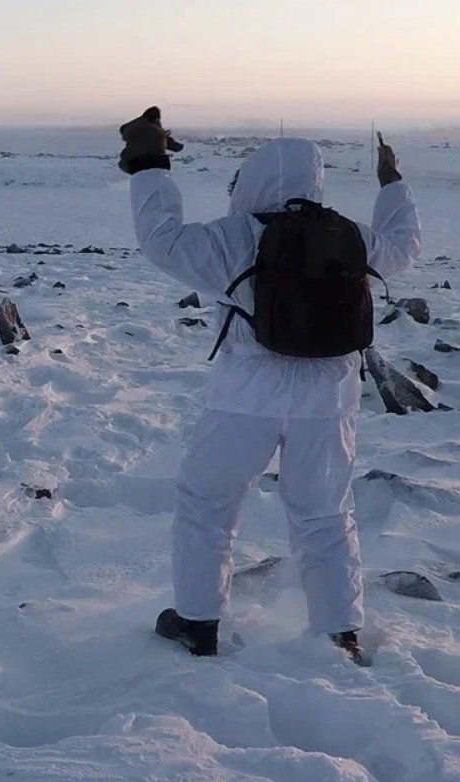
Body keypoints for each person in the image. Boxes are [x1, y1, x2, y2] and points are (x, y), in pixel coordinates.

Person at [118, 107, 421, 664]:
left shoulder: (234, 238)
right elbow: (403, 248)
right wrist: (393, 186)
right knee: (325, 513)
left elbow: (161, 240)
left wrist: (151, 164)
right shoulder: (350, 236)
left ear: (253, 177)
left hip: (244, 398)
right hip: (329, 401)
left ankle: (197, 620)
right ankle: (340, 631)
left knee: (208, 502)